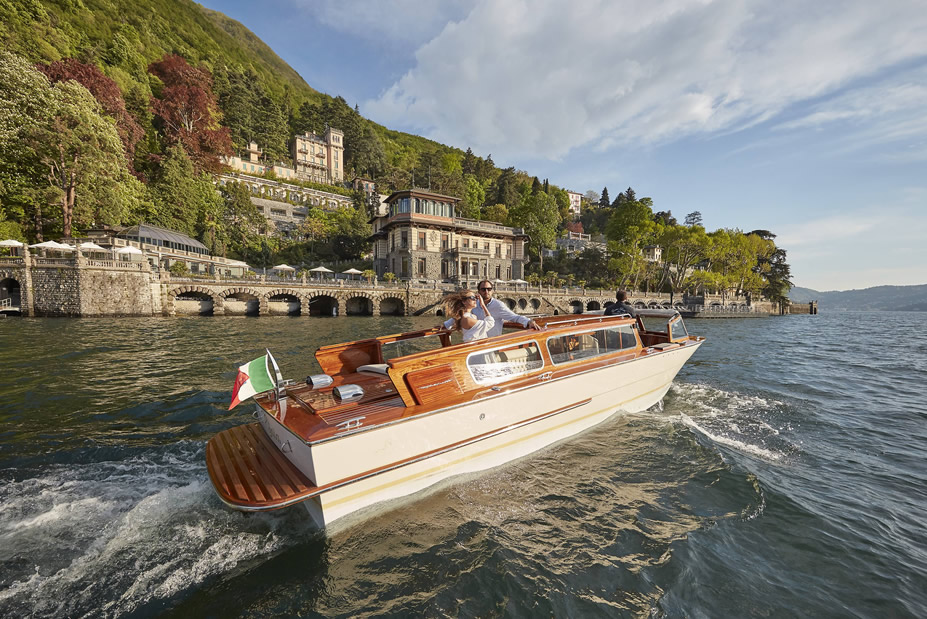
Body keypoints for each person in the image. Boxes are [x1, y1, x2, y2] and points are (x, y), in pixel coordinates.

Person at [443, 280, 542, 337]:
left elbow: (514, 317)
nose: (486, 291)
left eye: (489, 289)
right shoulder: (473, 304)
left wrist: (529, 321)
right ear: (479, 291)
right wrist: (446, 325)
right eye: (483, 289)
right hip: (477, 344)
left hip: (492, 343)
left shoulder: (498, 305)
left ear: (492, 291)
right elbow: (460, 316)